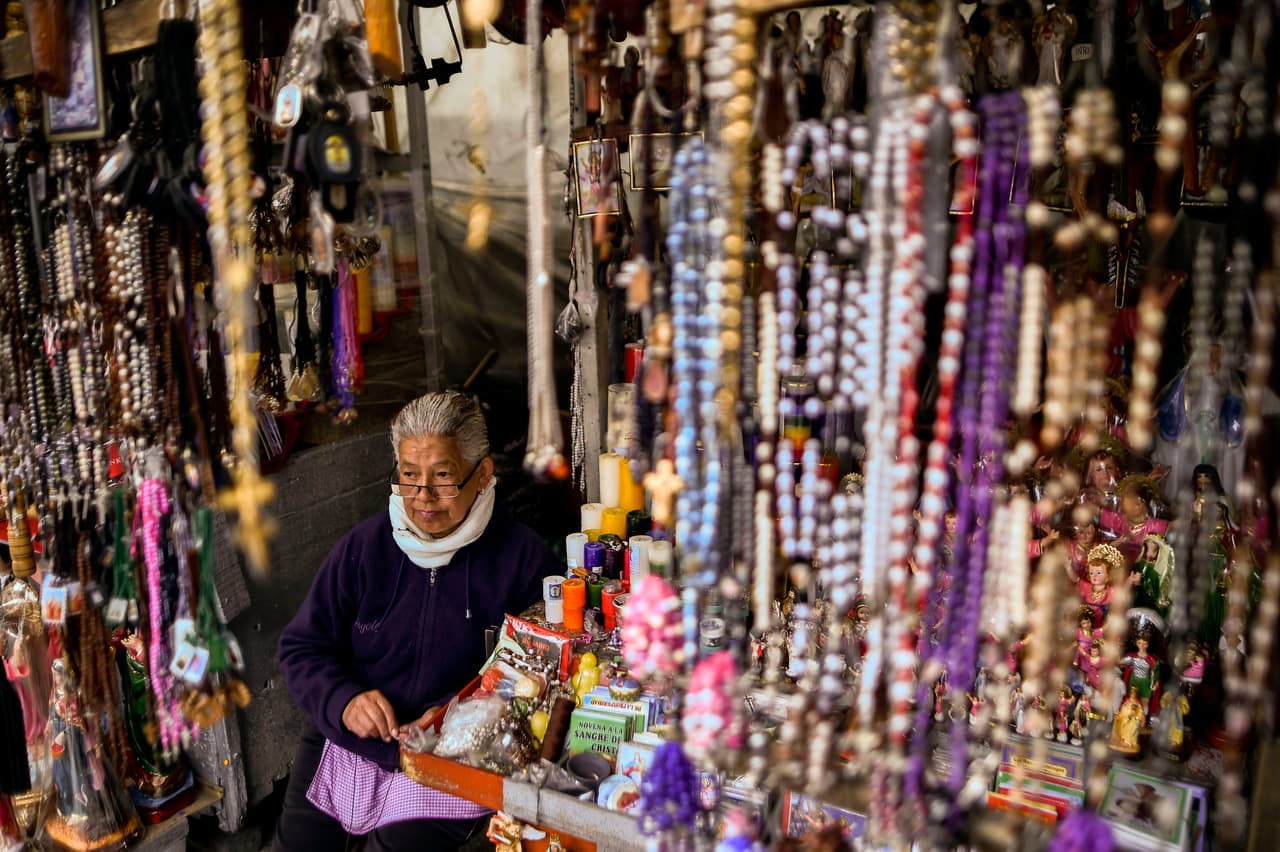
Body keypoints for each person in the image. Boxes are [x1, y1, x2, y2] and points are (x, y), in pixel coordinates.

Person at [274, 391, 561, 851]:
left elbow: (540, 678)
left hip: (455, 753)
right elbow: (302, 647)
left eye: (443, 476)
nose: (422, 497)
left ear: (482, 474)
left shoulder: (523, 560)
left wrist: (454, 712)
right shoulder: (364, 548)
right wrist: (344, 701)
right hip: (351, 740)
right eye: (409, 475)